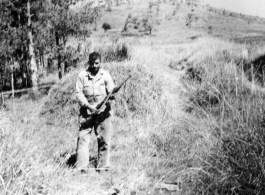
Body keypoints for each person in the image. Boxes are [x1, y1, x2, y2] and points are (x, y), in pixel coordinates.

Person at [75, 52, 115, 172]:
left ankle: (103, 167)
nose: (94, 65)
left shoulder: (106, 75)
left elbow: (111, 91)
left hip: (103, 113)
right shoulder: (82, 76)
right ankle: (82, 168)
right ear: (89, 63)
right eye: (92, 63)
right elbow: (78, 93)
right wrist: (88, 106)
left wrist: (110, 100)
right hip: (86, 113)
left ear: (100, 62)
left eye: (96, 63)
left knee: (104, 140)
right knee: (82, 139)